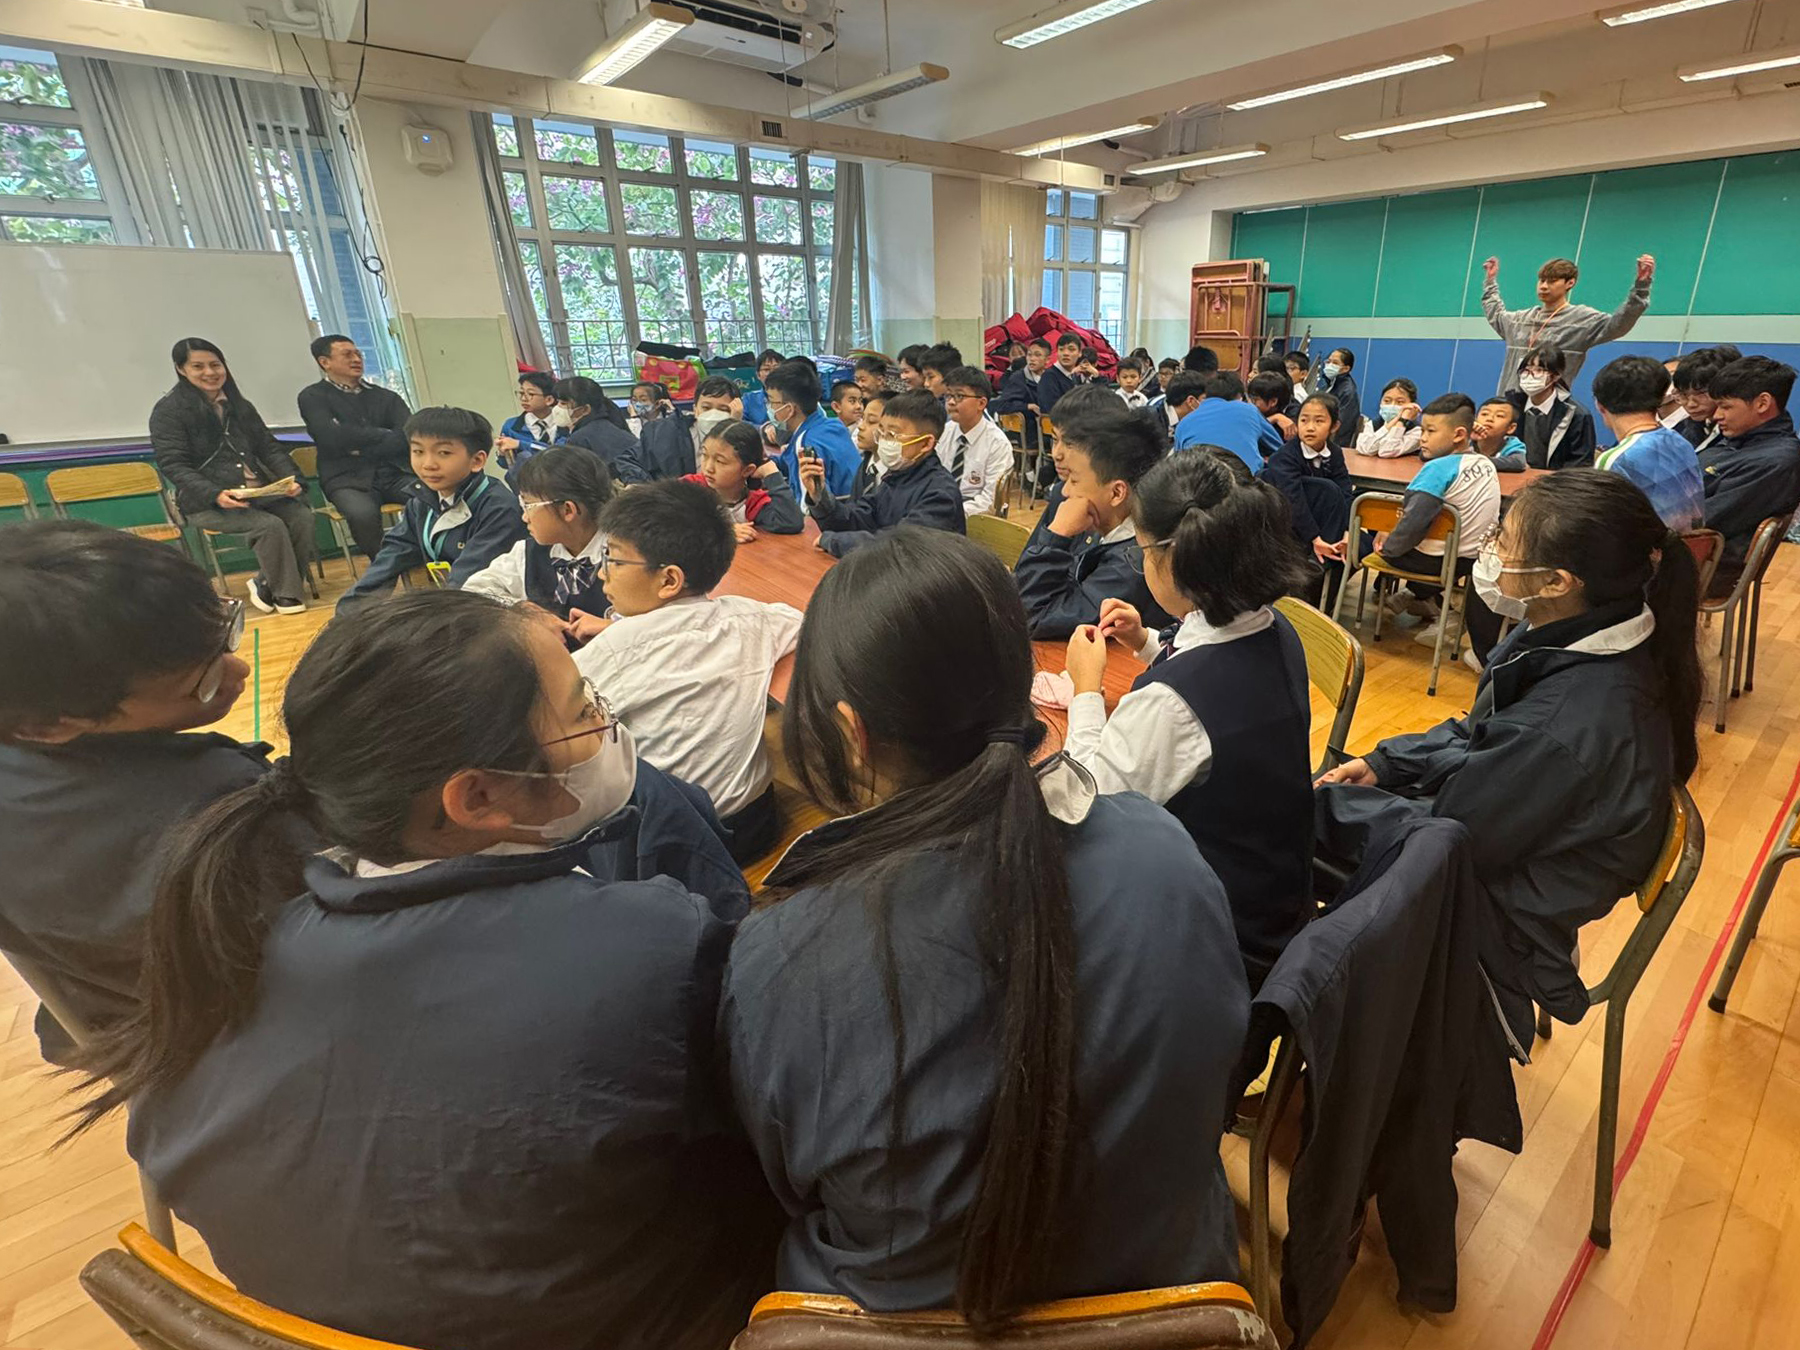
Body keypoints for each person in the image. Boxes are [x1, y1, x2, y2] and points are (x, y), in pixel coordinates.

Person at [73, 590, 777, 1350]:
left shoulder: (220, 954)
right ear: (477, 795)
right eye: (585, 711)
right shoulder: (650, 943)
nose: (609, 728)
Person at [721, 527, 1249, 1322]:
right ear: (1022, 684)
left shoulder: (780, 956)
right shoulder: (1163, 852)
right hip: (1170, 1303)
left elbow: (788, 1185)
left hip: (894, 1332)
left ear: (851, 733)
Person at [1319, 470, 1701, 1050]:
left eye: (1502, 539)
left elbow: (1456, 834)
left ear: (1556, 581)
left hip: (1505, 919)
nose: (1490, 549)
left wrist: (1335, 804)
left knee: (1297, 822)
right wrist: (1389, 763)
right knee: (1319, 806)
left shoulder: (1568, 722)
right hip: (1507, 845)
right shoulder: (1577, 629)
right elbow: (1483, 733)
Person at [0, 523, 270, 1064]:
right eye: (201, 685)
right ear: (49, 725)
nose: (238, 670)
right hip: (225, 1047)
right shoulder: (219, 809)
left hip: (98, 1017)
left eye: (225, 631)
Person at [1061, 453, 1315, 986]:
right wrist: (1148, 642)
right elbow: (1216, 679)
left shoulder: (1172, 704)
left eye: (1141, 552)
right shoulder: (1275, 628)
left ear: (1172, 559)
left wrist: (1085, 690)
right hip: (1275, 893)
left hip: (1218, 936)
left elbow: (1085, 805)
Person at [575, 480, 801, 863]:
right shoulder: (753, 618)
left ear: (669, 580)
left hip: (673, 849)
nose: (602, 573)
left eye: (613, 560)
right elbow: (802, 620)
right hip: (754, 825)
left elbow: (545, 714)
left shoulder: (612, 652)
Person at [151, 337, 314, 615]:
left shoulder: (240, 406)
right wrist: (214, 494)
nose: (210, 372)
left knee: (301, 516)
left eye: (215, 365)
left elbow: (268, 447)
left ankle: (266, 584)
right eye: (198, 366)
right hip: (206, 503)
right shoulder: (169, 412)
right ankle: (286, 594)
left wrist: (293, 478)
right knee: (269, 526)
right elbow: (173, 464)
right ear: (181, 369)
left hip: (258, 494)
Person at [337, 408, 526, 610]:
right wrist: (348, 611)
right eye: (418, 451)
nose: (428, 464)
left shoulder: (499, 508)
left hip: (492, 610)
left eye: (443, 453)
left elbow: (468, 580)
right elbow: (391, 558)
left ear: (477, 461)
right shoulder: (420, 503)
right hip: (452, 603)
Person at [1014, 402, 1175, 639]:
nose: (1065, 492)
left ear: (1116, 493)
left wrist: (1056, 535)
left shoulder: (1132, 564)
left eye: (1074, 481)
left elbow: (1033, 618)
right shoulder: (1096, 525)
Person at [1375, 394, 1504, 664]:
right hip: (1473, 560)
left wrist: (1389, 548)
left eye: (1430, 431)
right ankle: (1419, 597)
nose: (1423, 438)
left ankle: (1416, 595)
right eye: (1422, 430)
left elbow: (1413, 523)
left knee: (1382, 544)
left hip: (1434, 562)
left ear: (1459, 435)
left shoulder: (1436, 469)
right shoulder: (1485, 463)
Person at [462, 445, 614, 628]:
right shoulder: (528, 553)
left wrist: (614, 628)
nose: (524, 517)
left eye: (528, 505)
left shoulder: (626, 554)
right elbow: (473, 591)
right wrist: (524, 611)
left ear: (567, 510)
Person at [801, 389, 964, 557]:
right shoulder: (895, 477)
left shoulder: (940, 493)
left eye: (892, 434)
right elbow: (857, 519)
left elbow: (901, 545)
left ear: (925, 444)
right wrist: (820, 496)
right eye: (882, 432)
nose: (885, 441)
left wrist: (836, 541)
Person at [297, 334, 415, 563]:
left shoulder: (386, 397)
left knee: (431, 497)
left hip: (393, 472)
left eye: (358, 354)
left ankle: (422, 553)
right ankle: (385, 567)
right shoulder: (313, 397)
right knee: (362, 514)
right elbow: (330, 437)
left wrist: (360, 447)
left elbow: (407, 436)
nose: (356, 359)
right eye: (347, 355)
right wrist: (383, 434)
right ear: (325, 362)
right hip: (346, 478)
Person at [1699, 355, 1800, 595]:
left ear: (1762, 403)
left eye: (1726, 406)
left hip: (1709, 567)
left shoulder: (1775, 462)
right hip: (1689, 550)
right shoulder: (1738, 438)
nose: (1716, 415)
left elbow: (1704, 520)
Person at [1481, 253, 1655, 392]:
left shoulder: (1583, 320)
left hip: (1551, 406)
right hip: (1510, 403)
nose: (1543, 286)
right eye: (1542, 280)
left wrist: (1641, 287)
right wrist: (1490, 282)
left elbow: (1619, 324)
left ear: (1570, 283)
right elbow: (1495, 313)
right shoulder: (1520, 320)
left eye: (1552, 281)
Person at [1590, 355, 1705, 531]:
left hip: (1650, 547)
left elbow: (1604, 528)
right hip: (1693, 544)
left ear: (1599, 405)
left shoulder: (1617, 460)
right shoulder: (1680, 442)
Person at [1259, 393, 1352, 566]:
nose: (1310, 428)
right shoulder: (1284, 456)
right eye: (1304, 420)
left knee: (1361, 547)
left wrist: (1348, 532)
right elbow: (1293, 500)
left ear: (1334, 426)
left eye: (1319, 421)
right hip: (1290, 526)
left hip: (1323, 521)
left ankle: (1328, 567)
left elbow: (1346, 491)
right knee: (1327, 489)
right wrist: (1315, 538)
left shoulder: (1335, 453)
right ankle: (1317, 566)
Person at [685, 417, 804, 540]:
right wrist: (722, 530)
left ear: (747, 470)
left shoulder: (753, 502)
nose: (708, 468)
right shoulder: (689, 488)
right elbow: (674, 522)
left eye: (719, 461)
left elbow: (791, 523)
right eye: (704, 455)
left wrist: (771, 473)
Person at [766, 359, 860, 500]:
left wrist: (771, 478)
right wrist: (769, 462)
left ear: (789, 409)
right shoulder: (834, 425)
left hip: (834, 511)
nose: (770, 408)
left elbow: (807, 508)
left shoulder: (804, 446)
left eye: (772, 402)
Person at [940, 367, 1016, 516]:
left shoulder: (997, 443)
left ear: (981, 403)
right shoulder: (944, 432)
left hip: (973, 514)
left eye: (959, 396)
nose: (951, 402)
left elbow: (991, 501)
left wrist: (951, 513)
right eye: (948, 395)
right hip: (941, 503)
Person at [1173, 371, 1283, 468]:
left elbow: (1178, 464)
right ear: (1239, 397)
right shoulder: (1248, 410)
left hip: (1199, 481)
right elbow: (1279, 449)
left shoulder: (1183, 424)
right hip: (1245, 481)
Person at [1513, 343, 1597, 469]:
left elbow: (1581, 462)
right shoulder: (1512, 406)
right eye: (1526, 370)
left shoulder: (1576, 414)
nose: (1530, 376)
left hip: (1557, 479)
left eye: (1539, 370)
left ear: (1556, 376)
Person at [637, 375, 735, 482]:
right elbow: (632, 460)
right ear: (695, 410)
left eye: (723, 409)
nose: (713, 414)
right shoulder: (664, 432)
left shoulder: (744, 438)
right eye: (706, 408)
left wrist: (736, 425)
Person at [555, 376, 650, 484]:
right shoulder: (612, 426)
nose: (557, 408)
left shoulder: (580, 438)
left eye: (563, 403)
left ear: (585, 409)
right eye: (558, 402)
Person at [495, 371, 566, 486]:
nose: (524, 398)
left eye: (530, 394)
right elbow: (505, 465)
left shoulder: (563, 422)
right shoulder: (512, 426)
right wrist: (503, 454)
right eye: (521, 393)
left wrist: (520, 444)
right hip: (528, 485)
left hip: (561, 480)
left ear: (549, 399)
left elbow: (560, 453)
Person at [1671, 344, 1743, 451]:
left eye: (1701, 394)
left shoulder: (1740, 433)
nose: (1691, 404)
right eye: (1684, 394)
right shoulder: (1680, 431)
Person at [1356, 378, 1422, 458]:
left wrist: (1401, 421)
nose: (1392, 405)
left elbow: (1386, 451)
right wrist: (1389, 425)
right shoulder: (1373, 424)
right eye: (1387, 401)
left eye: (1400, 402)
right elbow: (1365, 449)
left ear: (1412, 405)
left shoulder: (1416, 431)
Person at [1316, 348, 1361, 442]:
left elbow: (1343, 424)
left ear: (1346, 369)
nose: (1329, 365)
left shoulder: (1347, 391)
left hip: (1334, 441)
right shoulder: (1328, 386)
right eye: (1328, 361)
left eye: (1335, 363)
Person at [1473, 397, 1528, 471]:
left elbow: (1518, 462)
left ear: (1511, 428)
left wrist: (1477, 461)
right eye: (1484, 414)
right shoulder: (1467, 438)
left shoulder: (1512, 444)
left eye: (1499, 416)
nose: (1489, 419)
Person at [1038, 333, 1087, 412]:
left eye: (1071, 349)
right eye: (1061, 349)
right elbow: (1052, 409)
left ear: (1080, 353)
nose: (1066, 353)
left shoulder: (1073, 376)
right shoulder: (1049, 376)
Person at [851, 391, 886, 500]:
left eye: (871, 421)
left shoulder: (900, 475)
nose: (861, 426)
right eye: (862, 418)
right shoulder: (865, 466)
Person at [738, 348, 786, 425]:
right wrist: (762, 428)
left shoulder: (794, 397)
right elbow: (741, 422)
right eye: (766, 369)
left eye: (776, 369)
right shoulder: (749, 399)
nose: (772, 373)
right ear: (758, 375)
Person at [1247, 370, 1297, 441]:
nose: (1249, 403)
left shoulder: (1284, 428)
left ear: (1273, 402)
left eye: (1255, 400)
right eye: (1249, 399)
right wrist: (1274, 418)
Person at [1161, 370, 1205, 440]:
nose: (1207, 403)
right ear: (1191, 401)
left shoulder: (1185, 422)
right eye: (1204, 399)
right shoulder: (1151, 423)